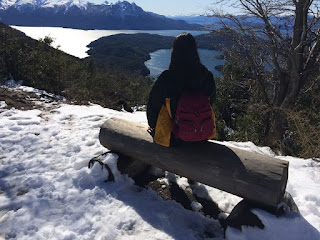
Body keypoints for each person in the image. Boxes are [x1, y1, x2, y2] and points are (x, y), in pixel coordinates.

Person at [147, 32, 216, 147]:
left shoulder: (167, 78)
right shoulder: (206, 76)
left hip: (172, 139)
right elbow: (211, 102)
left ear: (174, 51)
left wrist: (154, 127)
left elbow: (153, 106)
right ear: (195, 50)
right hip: (202, 135)